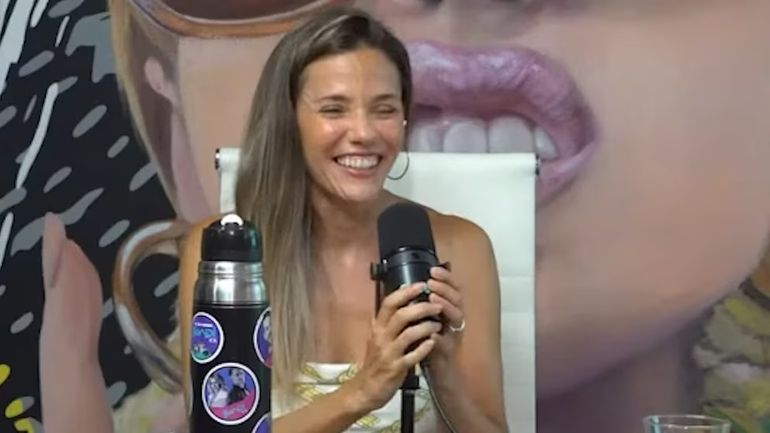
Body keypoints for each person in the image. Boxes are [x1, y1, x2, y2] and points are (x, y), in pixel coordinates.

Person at [36, 0, 770, 432]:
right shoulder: (228, 252)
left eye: (386, 110)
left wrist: (445, 377)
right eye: (332, 109)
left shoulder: (456, 243)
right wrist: (369, 386)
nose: (362, 136)